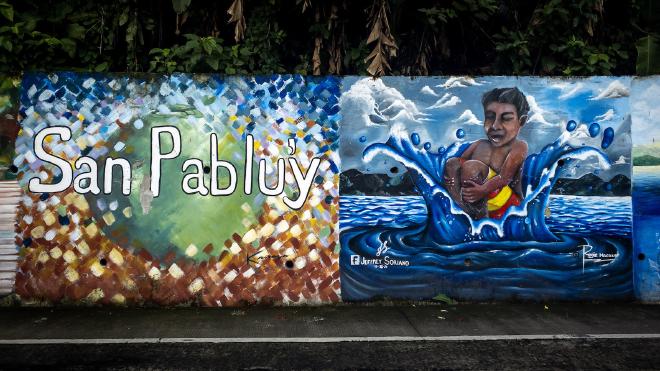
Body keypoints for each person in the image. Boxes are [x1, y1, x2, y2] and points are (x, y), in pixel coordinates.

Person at [443, 87, 529, 220]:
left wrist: (482, 190)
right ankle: (461, 210)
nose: (495, 126)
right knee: (452, 163)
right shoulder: (479, 145)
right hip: (477, 199)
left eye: (505, 119)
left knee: (471, 167)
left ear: (521, 122)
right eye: (490, 117)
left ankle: (480, 218)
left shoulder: (519, 146)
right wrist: (451, 182)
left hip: (507, 205)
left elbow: (505, 178)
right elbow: (456, 169)